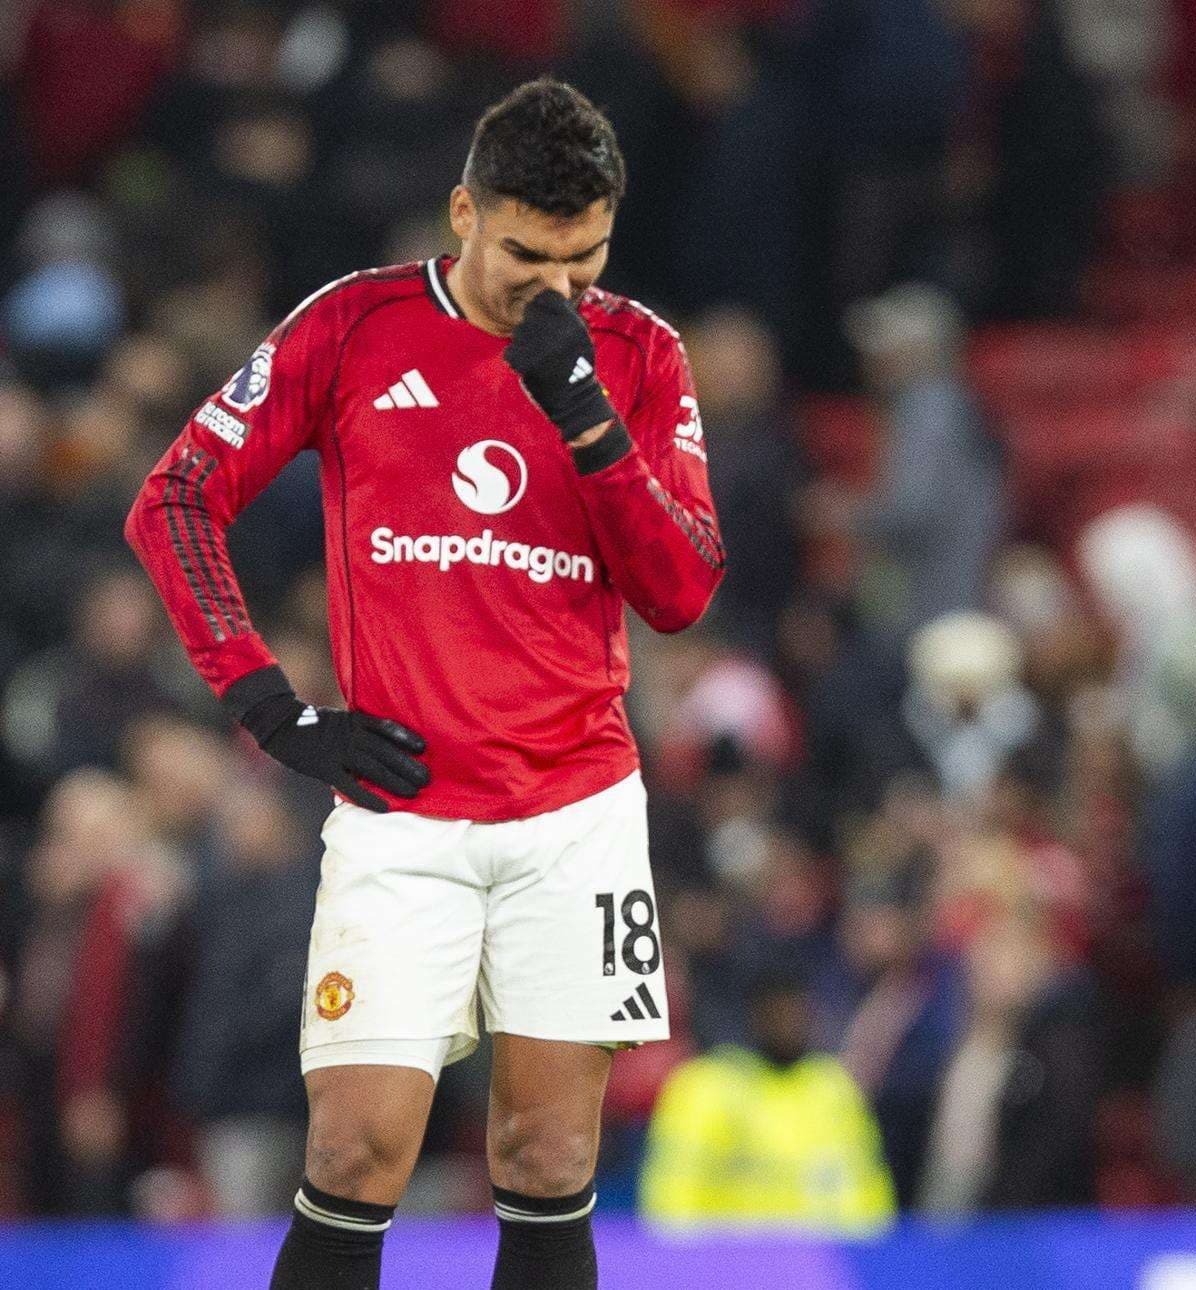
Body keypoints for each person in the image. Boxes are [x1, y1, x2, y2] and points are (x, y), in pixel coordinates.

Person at [123, 79, 725, 1288]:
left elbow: (683, 590)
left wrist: (588, 422)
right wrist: (269, 707)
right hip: (405, 820)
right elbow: (175, 499)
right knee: (354, 1155)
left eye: (584, 258)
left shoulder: (640, 354)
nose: (556, 289)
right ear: (463, 211)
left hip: (578, 814)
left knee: (550, 1157)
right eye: (525, 255)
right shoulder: (352, 327)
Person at [639, 958, 894, 1233]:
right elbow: (672, 1200)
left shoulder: (834, 1087)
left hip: (820, 1265)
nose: (788, 1021)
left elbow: (869, 1198)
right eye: (777, 1010)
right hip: (726, 1265)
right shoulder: (706, 1087)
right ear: (753, 1013)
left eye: (796, 1009)